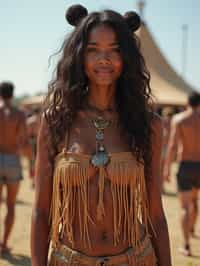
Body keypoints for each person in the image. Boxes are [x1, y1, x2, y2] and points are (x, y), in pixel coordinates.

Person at [31, 5, 171, 266]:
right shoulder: (56, 121)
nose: (103, 58)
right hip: (68, 260)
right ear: (79, 56)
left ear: (126, 57)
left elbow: (155, 214)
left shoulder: (148, 124)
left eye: (114, 50)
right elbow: (41, 211)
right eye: (93, 49)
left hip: (136, 259)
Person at [164, 92, 200, 256]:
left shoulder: (179, 120)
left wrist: (166, 169)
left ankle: (186, 245)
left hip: (186, 165)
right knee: (194, 200)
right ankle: (191, 229)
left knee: (185, 206)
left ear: (187, 102)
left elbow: (172, 146)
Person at [0, 81, 32, 254]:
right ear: (12, 94)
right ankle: (4, 244)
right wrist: (31, 162)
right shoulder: (19, 114)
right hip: (13, 159)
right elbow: (25, 141)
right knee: (11, 205)